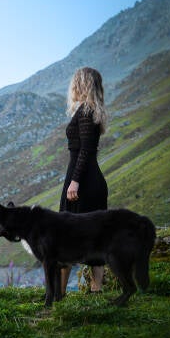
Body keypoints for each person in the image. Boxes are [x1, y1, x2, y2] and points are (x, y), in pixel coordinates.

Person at [58, 66, 109, 297]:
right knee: (96, 237)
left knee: (64, 235)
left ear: (81, 84)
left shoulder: (87, 111)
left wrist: (75, 181)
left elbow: (86, 150)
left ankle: (59, 294)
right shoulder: (90, 111)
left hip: (82, 182)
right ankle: (96, 290)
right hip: (90, 181)